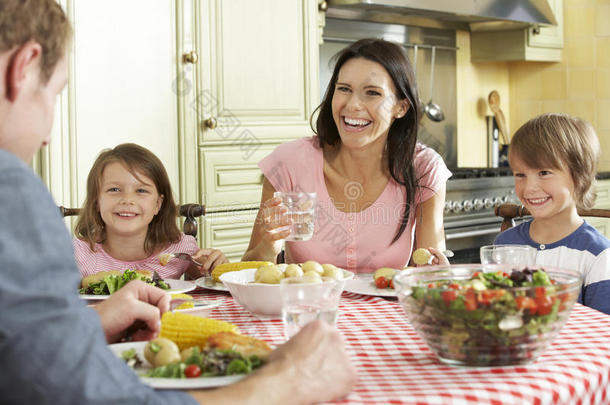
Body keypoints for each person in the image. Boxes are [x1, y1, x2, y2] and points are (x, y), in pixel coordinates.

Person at [0, 1, 356, 404]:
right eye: (54, 94)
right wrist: (289, 382)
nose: (48, 134)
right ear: (24, 68)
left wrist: (87, 322)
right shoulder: (11, 192)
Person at [243, 38, 452, 272]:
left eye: (372, 93)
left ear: (401, 107)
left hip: (387, 309)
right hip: (304, 306)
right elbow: (249, 272)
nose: (353, 105)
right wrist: (268, 246)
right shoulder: (288, 163)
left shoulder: (423, 167)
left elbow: (429, 270)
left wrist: (439, 269)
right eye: (344, 89)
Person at [494, 113, 610, 314]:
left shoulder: (597, 255)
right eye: (520, 175)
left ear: (579, 175)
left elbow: (603, 331)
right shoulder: (504, 244)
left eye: (544, 173)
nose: (529, 188)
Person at [73, 143, 228, 280]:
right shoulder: (77, 255)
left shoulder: (180, 250)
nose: (127, 200)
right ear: (96, 202)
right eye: (114, 189)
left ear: (157, 204)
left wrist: (218, 268)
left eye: (141, 190)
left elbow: (212, 283)